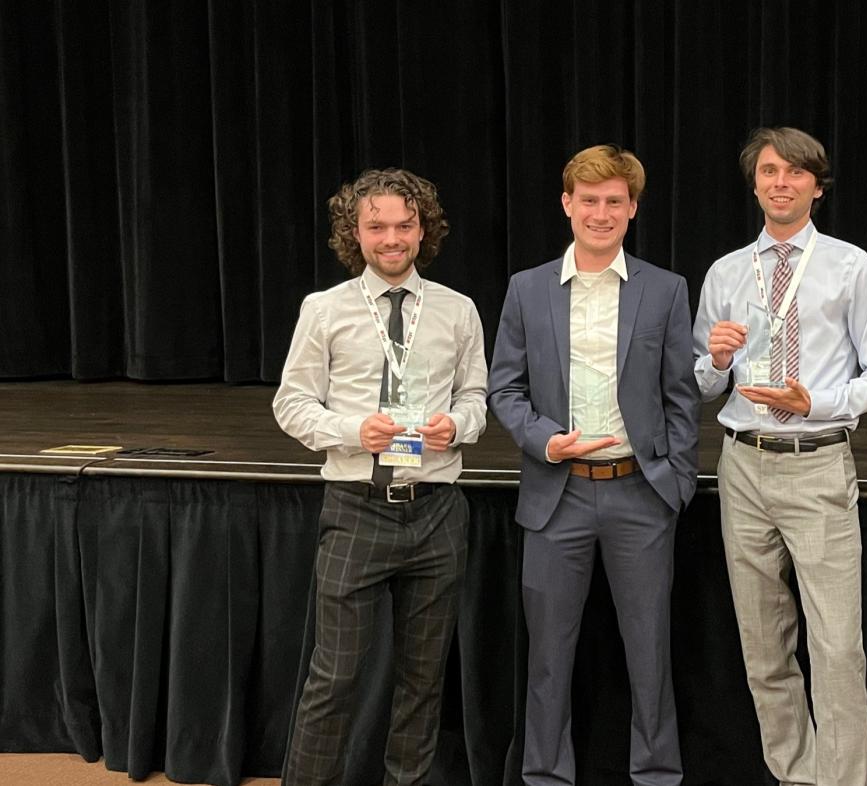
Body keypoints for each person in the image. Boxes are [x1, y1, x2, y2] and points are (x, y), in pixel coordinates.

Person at [692, 127, 867, 786]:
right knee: (763, 645)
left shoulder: (849, 266)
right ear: (754, 183)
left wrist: (816, 402)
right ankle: (793, 775)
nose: (780, 183)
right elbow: (701, 381)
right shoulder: (728, 272)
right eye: (769, 171)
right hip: (744, 465)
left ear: (817, 184)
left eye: (795, 172)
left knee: (836, 646)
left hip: (815, 462)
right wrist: (717, 359)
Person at [488, 145, 700, 786]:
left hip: (640, 491)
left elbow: (680, 394)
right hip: (558, 495)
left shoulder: (665, 290)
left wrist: (678, 482)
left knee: (649, 652)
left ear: (632, 209)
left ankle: (657, 773)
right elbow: (505, 390)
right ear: (566, 205)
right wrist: (546, 441)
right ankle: (546, 776)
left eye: (614, 202)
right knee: (550, 656)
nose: (600, 213)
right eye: (589, 201)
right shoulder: (527, 289)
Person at [273, 167, 488, 785]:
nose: (392, 238)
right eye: (377, 227)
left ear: (424, 229)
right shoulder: (325, 309)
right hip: (356, 505)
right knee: (335, 675)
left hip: (437, 509)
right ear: (354, 233)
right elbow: (292, 404)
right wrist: (349, 431)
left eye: (404, 224)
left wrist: (460, 424)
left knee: (423, 681)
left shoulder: (457, 309)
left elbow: (476, 393)